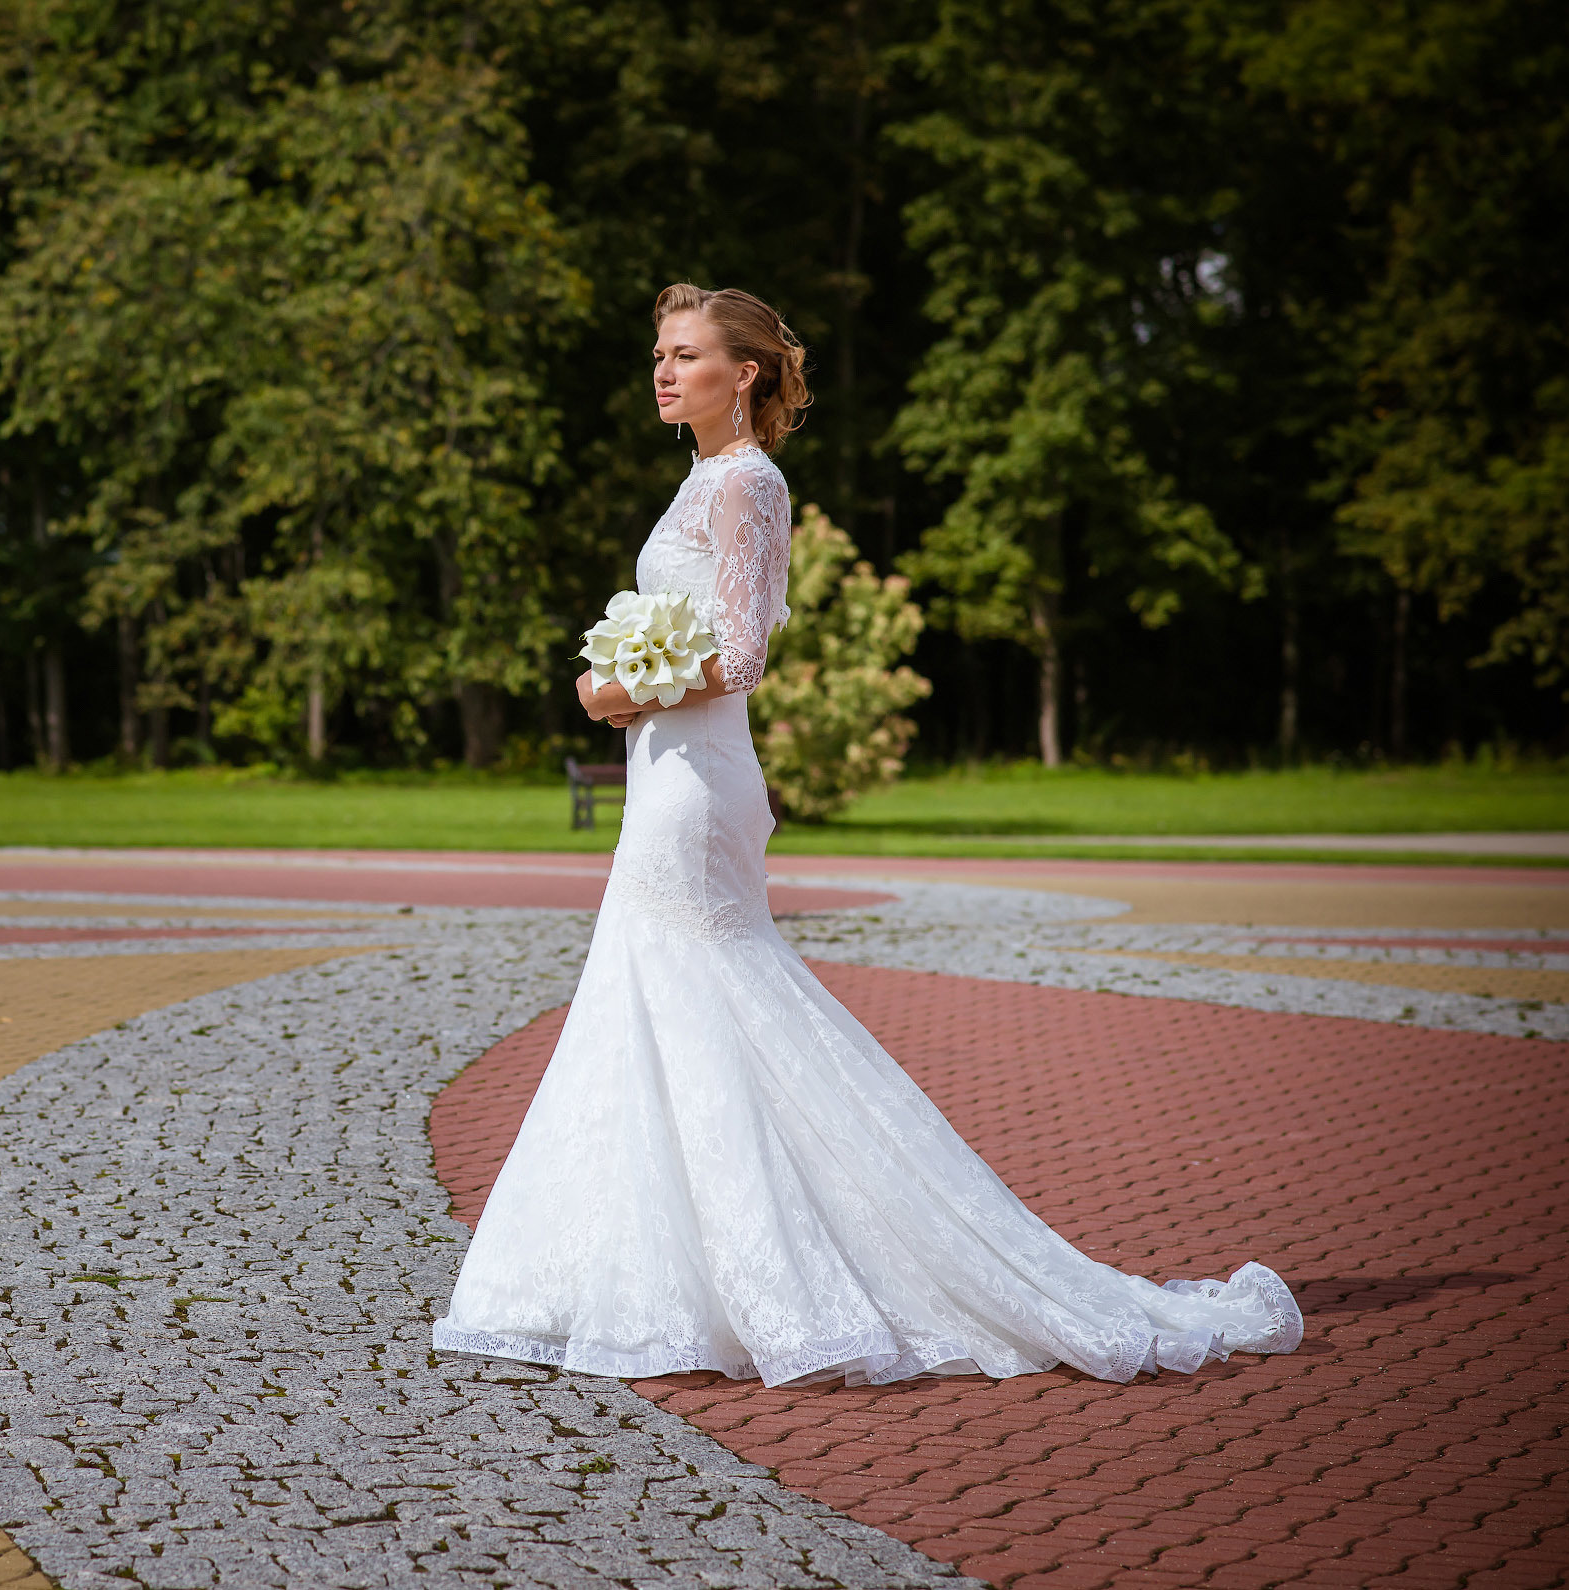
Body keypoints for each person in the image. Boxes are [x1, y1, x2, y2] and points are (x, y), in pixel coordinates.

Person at [431, 284, 1301, 1387]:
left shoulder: (749, 482)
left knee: (698, 988)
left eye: (685, 353)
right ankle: (649, 1275)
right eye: (657, 352)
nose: (662, 370)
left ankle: (775, 1275)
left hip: (694, 783)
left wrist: (617, 690)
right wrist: (631, 688)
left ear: (743, 373)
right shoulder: (701, 479)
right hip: (671, 775)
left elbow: (741, 657)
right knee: (660, 1000)